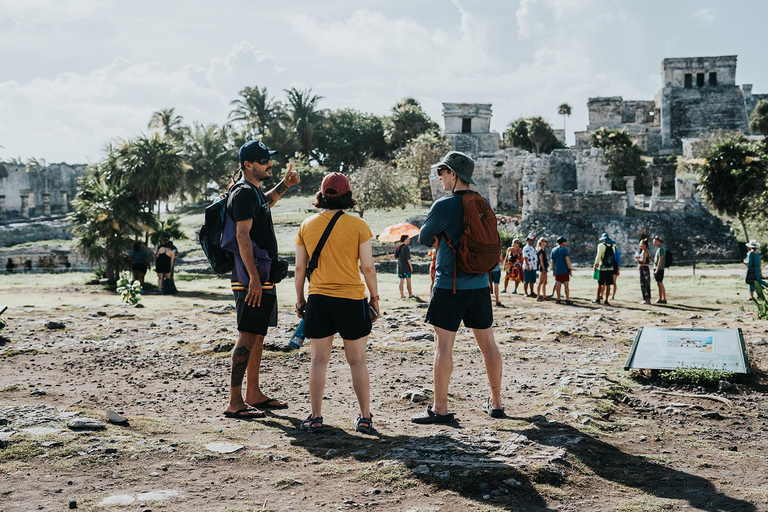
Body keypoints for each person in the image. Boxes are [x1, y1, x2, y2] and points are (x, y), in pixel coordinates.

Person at [413, 151, 504, 424]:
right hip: (479, 284)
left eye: (442, 171)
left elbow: (423, 237)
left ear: (454, 175)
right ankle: (497, 403)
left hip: (449, 285)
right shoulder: (482, 203)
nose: (440, 176)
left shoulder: (444, 205)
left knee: (443, 347)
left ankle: (441, 408)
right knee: (488, 344)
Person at [294, 172, 379, 434]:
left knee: (319, 360)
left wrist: (300, 299)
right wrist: (374, 297)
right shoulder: (358, 225)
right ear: (347, 196)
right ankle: (365, 417)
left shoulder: (306, 225)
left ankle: (316, 416)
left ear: (321, 195)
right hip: (352, 299)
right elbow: (367, 266)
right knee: (357, 361)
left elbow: (299, 268)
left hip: (319, 299)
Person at [223, 140, 301, 420]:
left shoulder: (252, 193)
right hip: (250, 278)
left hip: (260, 276)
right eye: (264, 160)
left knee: (258, 334)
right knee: (247, 335)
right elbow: (242, 236)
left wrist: (284, 184)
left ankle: (253, 394)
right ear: (248, 165)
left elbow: (264, 204)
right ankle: (235, 401)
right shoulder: (242, 193)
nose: (269, 163)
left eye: (269, 159)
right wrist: (254, 279)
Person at [592, 233, 616, 306]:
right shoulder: (613, 247)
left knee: (600, 284)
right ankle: (606, 300)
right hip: (610, 268)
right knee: (608, 284)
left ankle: (598, 298)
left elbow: (599, 255)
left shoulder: (601, 246)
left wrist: (595, 264)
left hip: (602, 267)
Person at [550, 236, 573, 305]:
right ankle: (567, 299)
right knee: (566, 284)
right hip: (564, 269)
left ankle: (558, 299)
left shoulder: (553, 250)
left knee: (558, 283)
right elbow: (567, 260)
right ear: (563, 242)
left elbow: (552, 261)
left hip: (557, 269)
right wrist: (570, 268)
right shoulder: (564, 250)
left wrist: (553, 269)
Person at [395, 235, 414, 299]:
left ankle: (402, 295)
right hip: (406, 266)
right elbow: (408, 258)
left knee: (401, 280)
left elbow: (395, 256)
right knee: (408, 280)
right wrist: (411, 266)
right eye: (408, 239)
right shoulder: (406, 247)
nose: (409, 240)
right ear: (405, 240)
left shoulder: (398, 247)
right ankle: (410, 294)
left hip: (400, 266)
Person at [634, 239, 652, 304]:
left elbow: (643, 261)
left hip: (644, 269)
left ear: (644, 245)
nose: (639, 245)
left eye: (641, 244)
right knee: (645, 284)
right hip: (644, 269)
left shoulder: (644, 252)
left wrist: (637, 258)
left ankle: (647, 299)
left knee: (644, 284)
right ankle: (646, 299)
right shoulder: (645, 251)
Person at [652, 235, 667, 304]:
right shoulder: (659, 249)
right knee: (659, 283)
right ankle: (661, 298)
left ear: (659, 241)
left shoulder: (661, 249)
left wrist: (657, 269)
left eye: (655, 241)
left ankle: (663, 298)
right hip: (658, 268)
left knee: (660, 283)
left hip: (659, 269)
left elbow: (660, 260)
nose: (654, 243)